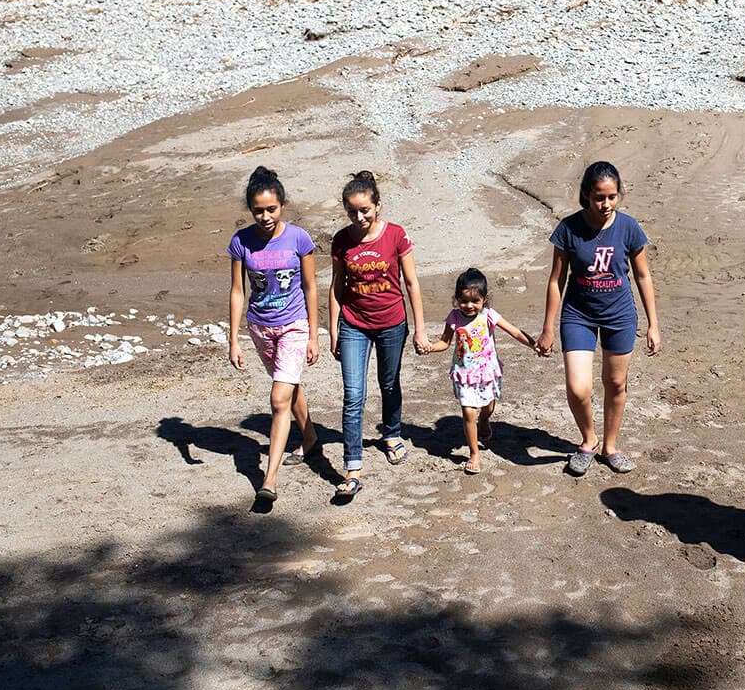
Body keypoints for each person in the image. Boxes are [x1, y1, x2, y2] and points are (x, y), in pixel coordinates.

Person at [537, 161, 660, 476]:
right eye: (599, 198)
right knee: (578, 388)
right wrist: (548, 328)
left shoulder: (629, 228)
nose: (606, 205)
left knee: (615, 382)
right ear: (586, 196)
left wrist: (653, 324)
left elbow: (643, 276)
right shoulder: (568, 229)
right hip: (578, 315)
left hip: (620, 314)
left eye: (612, 197)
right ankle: (588, 440)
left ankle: (611, 446)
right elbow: (556, 281)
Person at [328, 171, 430, 498]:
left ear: (378, 206)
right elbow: (336, 288)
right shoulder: (342, 241)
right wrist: (333, 329)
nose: (359, 218)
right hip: (353, 324)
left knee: (389, 382)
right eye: (352, 212)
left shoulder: (396, 236)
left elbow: (411, 283)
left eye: (365, 211)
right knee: (353, 394)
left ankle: (392, 432)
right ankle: (352, 467)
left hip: (391, 322)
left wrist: (420, 329)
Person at [227, 165, 321, 504]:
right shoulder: (241, 241)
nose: (265, 216)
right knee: (289, 384)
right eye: (258, 210)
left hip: (295, 323)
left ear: (282, 205)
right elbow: (238, 291)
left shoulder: (299, 238)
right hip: (260, 327)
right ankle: (310, 440)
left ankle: (269, 479)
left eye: (271, 209)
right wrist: (234, 338)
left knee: (279, 398)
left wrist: (313, 334)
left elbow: (311, 287)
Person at [426, 268, 537, 474]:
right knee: (468, 412)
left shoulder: (489, 315)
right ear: (457, 299)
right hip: (464, 373)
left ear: (484, 299)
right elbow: (444, 342)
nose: (469, 306)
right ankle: (474, 453)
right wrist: (429, 347)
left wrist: (534, 345)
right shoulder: (454, 318)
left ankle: (485, 419)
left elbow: (513, 331)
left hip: (487, 372)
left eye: (475, 301)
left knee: (488, 405)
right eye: (464, 301)